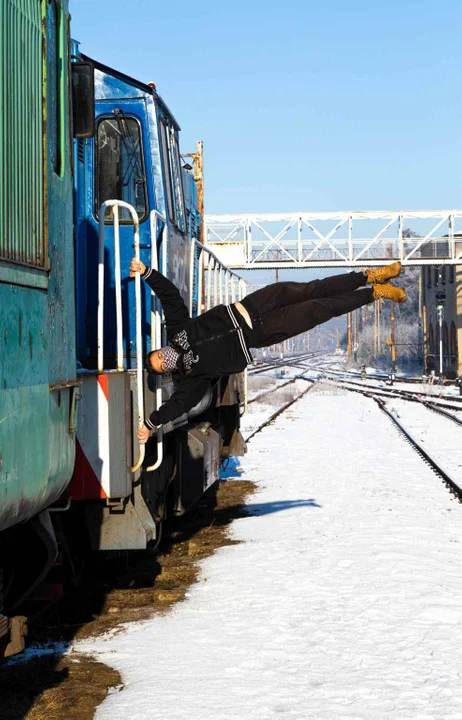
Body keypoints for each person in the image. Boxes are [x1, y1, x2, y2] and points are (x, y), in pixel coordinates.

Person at [131, 259, 406, 444]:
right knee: (321, 309)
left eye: (158, 356)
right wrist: (153, 423)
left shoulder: (179, 331)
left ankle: (370, 276)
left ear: (160, 348)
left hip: (254, 304)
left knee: (314, 288)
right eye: (161, 366)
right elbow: (181, 403)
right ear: (167, 370)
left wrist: (147, 272)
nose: (163, 360)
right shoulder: (193, 376)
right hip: (262, 332)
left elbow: (171, 298)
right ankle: (377, 293)